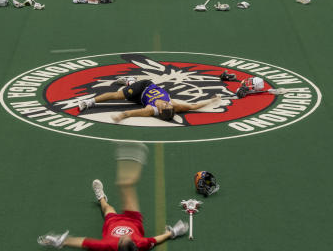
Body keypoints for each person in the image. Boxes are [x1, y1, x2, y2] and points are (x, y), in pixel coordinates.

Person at [37, 142, 187, 249]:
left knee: (107, 207)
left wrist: (62, 241)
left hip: (112, 222)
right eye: (127, 238)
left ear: (119, 246)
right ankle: (136, 164)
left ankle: (101, 197)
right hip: (134, 219)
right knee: (126, 185)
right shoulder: (141, 244)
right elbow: (156, 239)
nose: (124, 236)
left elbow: (84, 242)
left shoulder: (107, 245)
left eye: (122, 239)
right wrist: (172, 233)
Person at [77, 76, 219, 123]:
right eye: (168, 104)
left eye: (165, 105)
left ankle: (129, 82)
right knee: (118, 95)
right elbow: (194, 106)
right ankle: (89, 102)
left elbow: (131, 113)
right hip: (145, 86)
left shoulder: (151, 110)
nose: (166, 103)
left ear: (161, 110)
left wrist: (120, 116)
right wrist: (211, 101)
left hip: (142, 99)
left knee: (127, 97)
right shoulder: (174, 106)